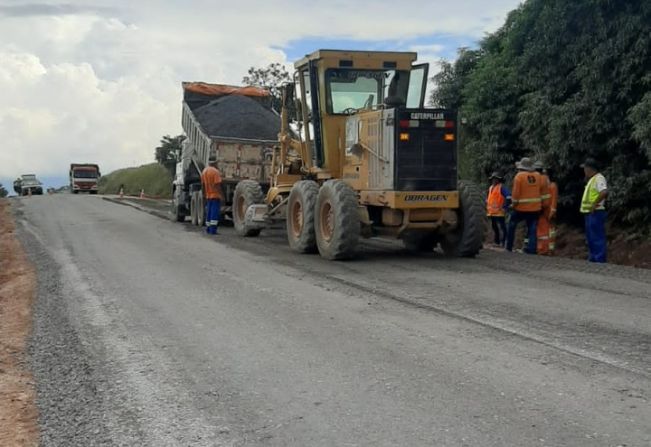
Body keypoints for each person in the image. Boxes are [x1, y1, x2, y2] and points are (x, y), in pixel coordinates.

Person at [506, 157, 549, 254]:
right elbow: (543, 193)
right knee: (532, 229)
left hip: (520, 208)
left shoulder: (519, 177)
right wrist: (544, 205)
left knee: (512, 225)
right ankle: (532, 249)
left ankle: (509, 247)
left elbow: (516, 194)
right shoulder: (538, 176)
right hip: (535, 208)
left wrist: (513, 205)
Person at [580, 158, 608, 262]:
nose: (584, 171)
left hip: (596, 212)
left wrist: (594, 204)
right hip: (589, 213)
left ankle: (599, 259)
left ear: (589, 169)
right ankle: (593, 258)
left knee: (596, 236)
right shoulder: (592, 179)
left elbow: (604, 192)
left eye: (585, 168)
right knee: (591, 237)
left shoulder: (599, 178)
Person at [536, 166, 558, 255]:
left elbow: (554, 200)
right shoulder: (548, 185)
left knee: (547, 232)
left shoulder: (552, 186)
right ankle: (545, 249)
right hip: (544, 211)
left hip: (547, 212)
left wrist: (552, 212)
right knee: (545, 232)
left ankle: (547, 249)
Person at [486, 172, 511, 247]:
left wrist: (505, 207)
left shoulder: (502, 187)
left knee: (502, 227)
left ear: (499, 180)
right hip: (491, 212)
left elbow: (508, 197)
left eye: (496, 179)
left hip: (499, 212)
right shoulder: (490, 188)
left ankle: (504, 242)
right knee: (494, 227)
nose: (494, 180)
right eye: (493, 179)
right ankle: (497, 241)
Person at [200, 159, 223, 235]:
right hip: (215, 195)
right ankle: (213, 230)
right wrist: (222, 195)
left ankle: (208, 229)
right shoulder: (215, 172)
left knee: (209, 212)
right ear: (215, 163)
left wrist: (204, 195)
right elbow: (217, 185)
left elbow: (203, 185)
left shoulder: (204, 171)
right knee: (214, 212)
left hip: (208, 195)